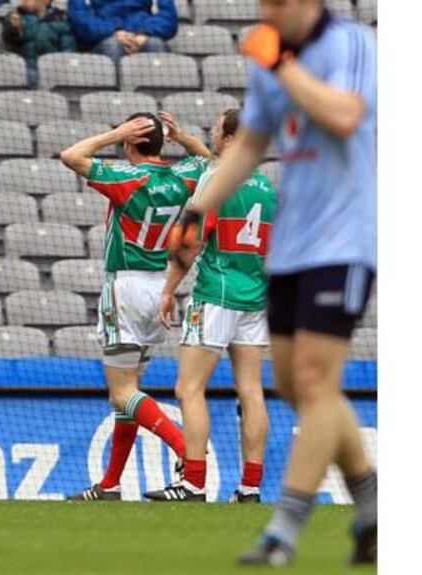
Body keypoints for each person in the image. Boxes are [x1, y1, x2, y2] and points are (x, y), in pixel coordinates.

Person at [168, 0, 377, 565]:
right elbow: (252, 147)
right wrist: (197, 209)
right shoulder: (269, 56)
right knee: (292, 383)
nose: (269, 10)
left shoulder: (349, 44)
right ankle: (373, 501)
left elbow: (344, 115)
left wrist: (282, 64)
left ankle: (283, 528)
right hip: (290, 247)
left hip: (346, 237)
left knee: (313, 379)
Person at [61, 114, 198, 502]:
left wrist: (114, 133)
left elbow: (71, 155)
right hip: (160, 289)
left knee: (121, 393)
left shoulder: (127, 180)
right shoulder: (181, 178)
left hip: (125, 286)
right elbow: (208, 161)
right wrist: (184, 137)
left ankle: (187, 449)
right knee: (129, 392)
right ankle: (110, 484)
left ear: (130, 144)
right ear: (161, 144)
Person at [141, 110, 276, 504]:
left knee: (189, 387)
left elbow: (190, 242)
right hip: (255, 297)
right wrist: (184, 140)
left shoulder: (215, 181)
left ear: (232, 139)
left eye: (217, 129)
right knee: (251, 391)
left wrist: (168, 289)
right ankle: (249, 489)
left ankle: (193, 484)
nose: (212, 134)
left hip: (215, 295)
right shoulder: (267, 188)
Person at [67, 0, 178, 63]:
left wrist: (144, 33)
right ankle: (116, 100)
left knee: (155, 44)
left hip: (142, 37)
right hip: (102, 42)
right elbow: (80, 20)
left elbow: (168, 19)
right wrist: (113, 32)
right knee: (113, 45)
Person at [1, 0, 76, 87]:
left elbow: (68, 51)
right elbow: (9, 36)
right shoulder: (15, 16)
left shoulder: (59, 19)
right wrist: (28, 16)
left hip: (52, 70)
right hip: (25, 68)